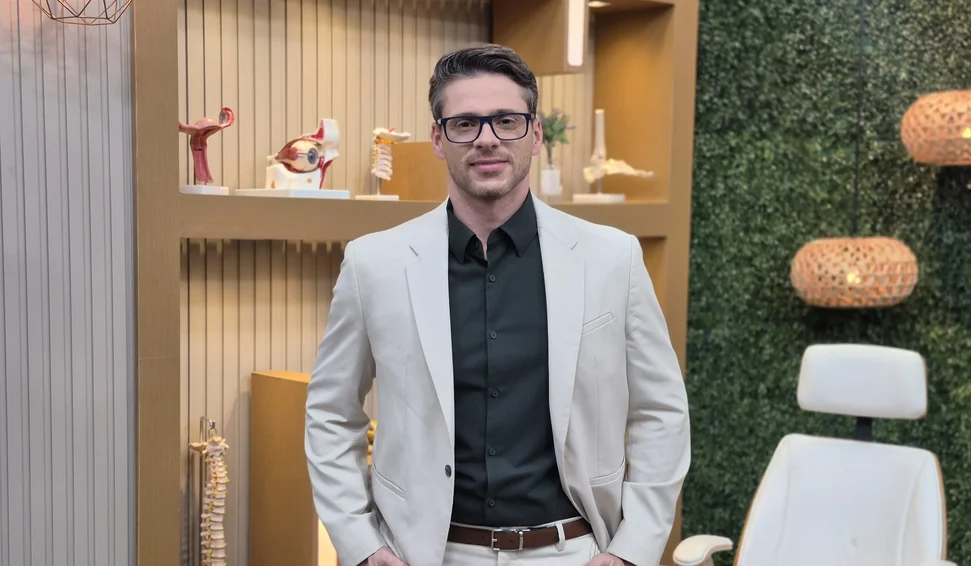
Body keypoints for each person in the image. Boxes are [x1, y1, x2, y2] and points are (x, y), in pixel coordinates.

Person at [305, 43, 690, 566]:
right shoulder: (374, 263)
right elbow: (331, 413)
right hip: (428, 554)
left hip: (573, 551)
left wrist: (631, 550)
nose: (487, 139)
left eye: (507, 121)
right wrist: (362, 544)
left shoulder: (611, 258)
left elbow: (660, 411)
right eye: (465, 124)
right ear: (438, 139)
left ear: (535, 134)